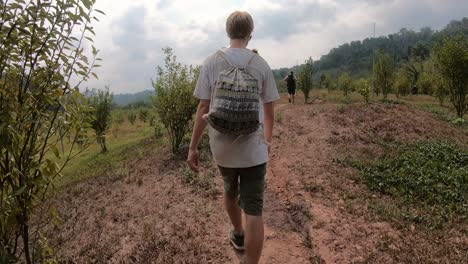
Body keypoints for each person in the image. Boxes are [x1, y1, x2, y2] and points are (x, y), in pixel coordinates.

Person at [187, 10, 279, 264]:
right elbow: (270, 110)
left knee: (230, 191)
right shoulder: (260, 64)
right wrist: (267, 142)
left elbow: (203, 107)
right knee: (254, 209)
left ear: (228, 33)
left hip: (223, 148)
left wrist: (193, 147)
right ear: (250, 34)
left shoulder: (211, 62)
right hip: (254, 150)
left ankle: (238, 233)